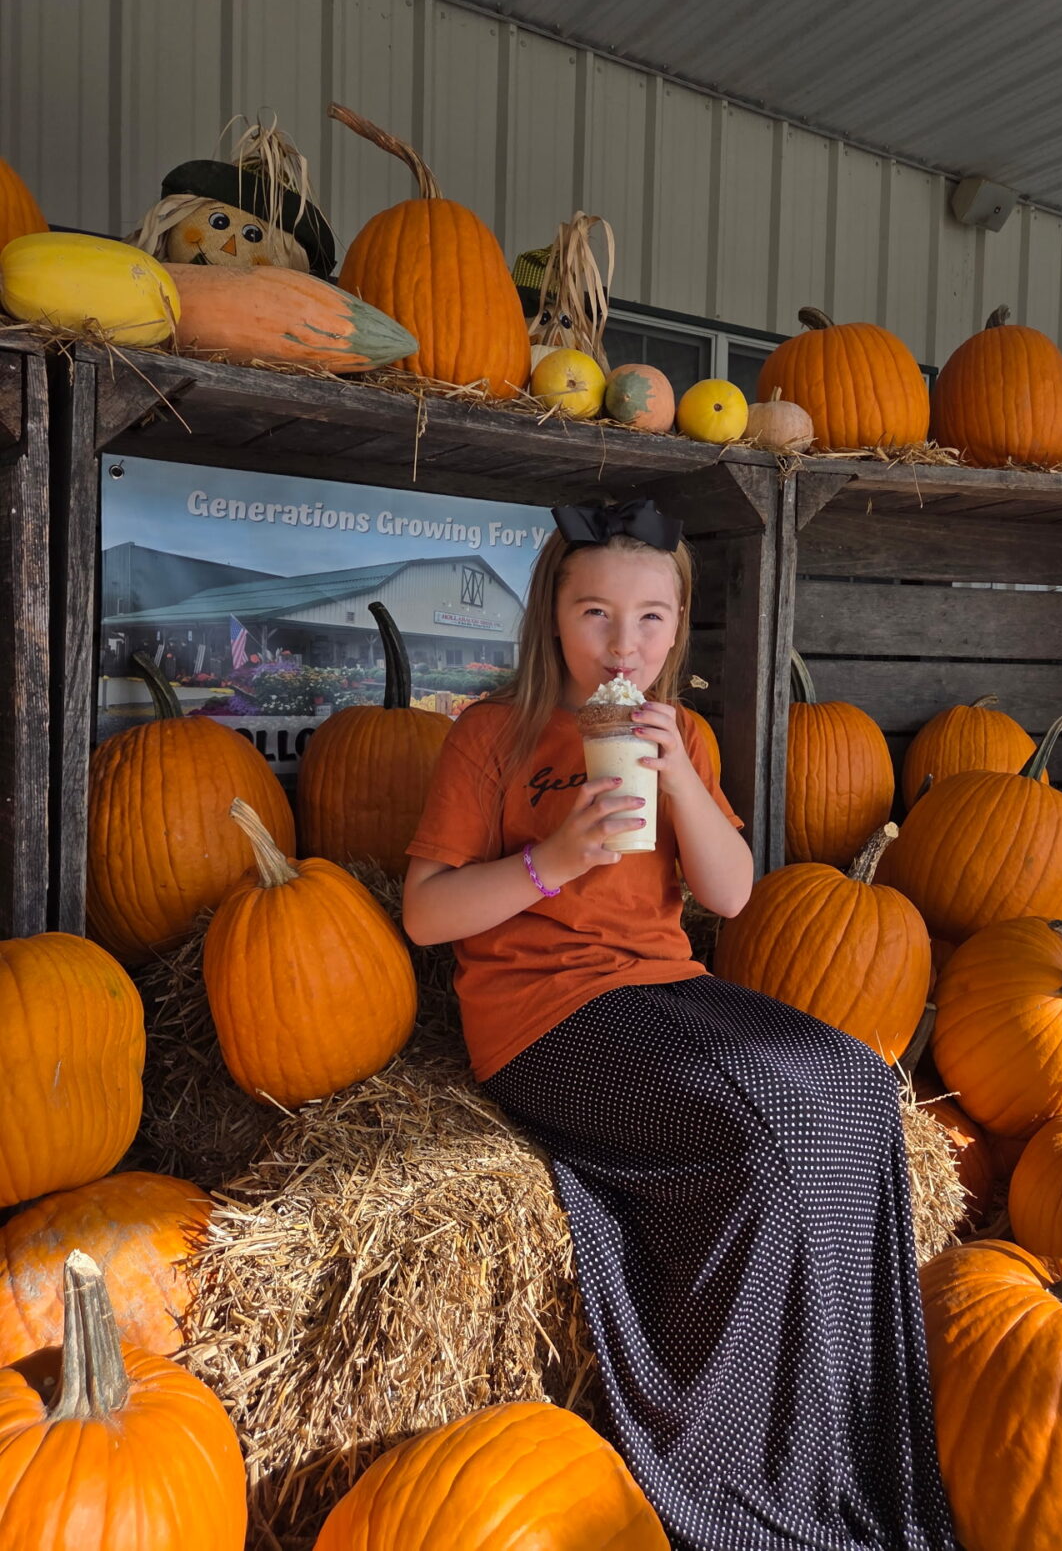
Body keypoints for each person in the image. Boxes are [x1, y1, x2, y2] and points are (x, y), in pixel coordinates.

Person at [402, 499, 955, 1551]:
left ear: (677, 626)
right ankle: (726, 1476)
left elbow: (733, 895)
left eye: (650, 620)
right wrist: (548, 862)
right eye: (596, 613)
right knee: (759, 1147)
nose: (624, 644)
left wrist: (677, 780)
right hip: (541, 1017)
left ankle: (845, 1450)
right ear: (551, 618)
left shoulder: (683, 732)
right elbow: (427, 914)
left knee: (854, 1089)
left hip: (662, 989)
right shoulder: (493, 735)